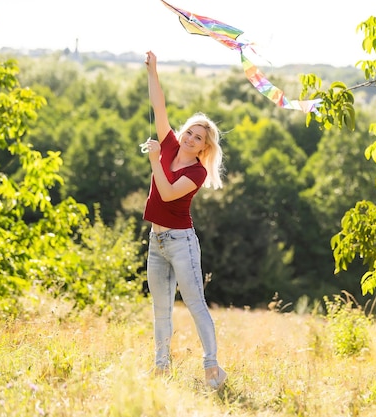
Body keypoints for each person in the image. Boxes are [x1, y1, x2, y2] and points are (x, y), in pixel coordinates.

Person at [142, 50, 226, 390]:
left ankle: (212, 369)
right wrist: (153, 71)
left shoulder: (196, 171)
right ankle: (161, 368)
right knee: (160, 309)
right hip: (156, 241)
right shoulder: (169, 144)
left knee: (195, 304)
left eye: (198, 138)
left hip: (181, 243)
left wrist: (152, 160)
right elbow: (158, 106)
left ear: (204, 148)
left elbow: (165, 191)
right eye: (189, 132)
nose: (190, 138)